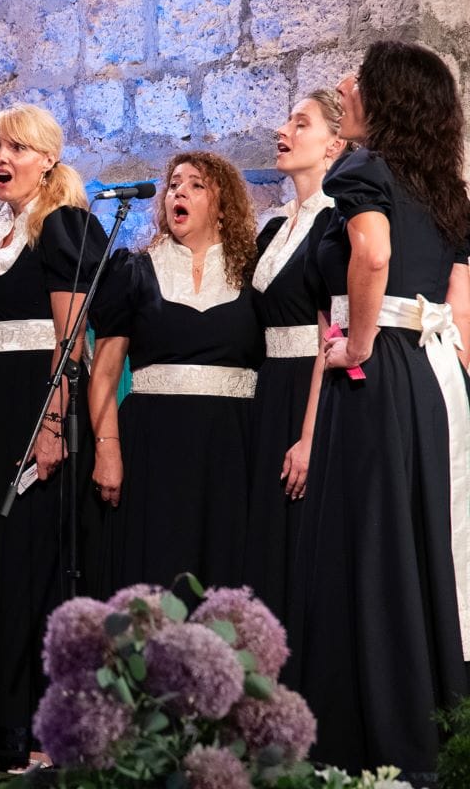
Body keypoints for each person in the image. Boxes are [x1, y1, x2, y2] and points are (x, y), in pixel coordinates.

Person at [296, 41, 470, 779]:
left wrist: (359, 344)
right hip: (433, 375)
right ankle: (437, 724)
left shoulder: (364, 171)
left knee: (372, 546)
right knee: (425, 540)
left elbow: (370, 254)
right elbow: (459, 300)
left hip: (380, 369)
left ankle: (376, 737)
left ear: (387, 97)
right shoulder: (445, 188)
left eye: (358, 83)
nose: (346, 90)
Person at [0, 103, 107, 763]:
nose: (2, 157)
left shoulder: (62, 225)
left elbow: (70, 339)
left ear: (48, 159)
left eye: (17, 147)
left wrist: (52, 425)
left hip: (39, 401)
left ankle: (53, 733)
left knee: (40, 562)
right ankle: (4, 727)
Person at [88, 151, 262, 593]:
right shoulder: (134, 271)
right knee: (157, 572)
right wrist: (107, 449)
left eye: (196, 185)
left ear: (223, 207)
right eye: (173, 185)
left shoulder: (254, 274)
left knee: (226, 573)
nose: (178, 191)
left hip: (231, 448)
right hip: (154, 449)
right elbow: (105, 374)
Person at [243, 90, 346, 651]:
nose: (283, 131)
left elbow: (332, 333)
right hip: (269, 391)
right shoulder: (275, 226)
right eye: (285, 121)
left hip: (310, 390)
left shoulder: (335, 222)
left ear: (334, 143)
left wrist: (309, 435)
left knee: (302, 542)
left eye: (300, 123)